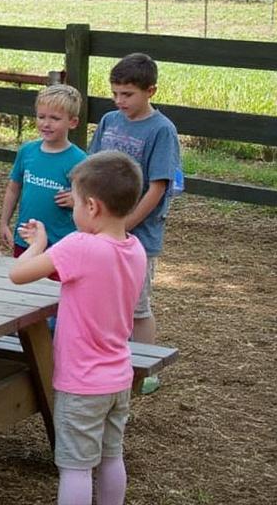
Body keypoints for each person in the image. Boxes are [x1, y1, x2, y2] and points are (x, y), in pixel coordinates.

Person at [9, 151, 148, 505]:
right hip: (118, 377)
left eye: (75, 203)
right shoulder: (135, 249)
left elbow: (18, 274)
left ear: (92, 207)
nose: (72, 212)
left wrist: (36, 244)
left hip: (82, 382)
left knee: (75, 468)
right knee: (111, 456)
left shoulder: (79, 246)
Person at [87, 52, 180, 395]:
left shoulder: (161, 130)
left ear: (150, 91)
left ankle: (144, 368)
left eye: (127, 94)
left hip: (139, 236)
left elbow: (157, 186)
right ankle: (112, 361)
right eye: (115, 93)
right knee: (107, 299)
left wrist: (125, 225)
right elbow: (93, 165)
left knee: (138, 305)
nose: (119, 100)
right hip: (104, 229)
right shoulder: (110, 121)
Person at [0, 84, 87, 256]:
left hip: (60, 244)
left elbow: (90, 201)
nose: (46, 124)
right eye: (41, 117)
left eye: (55, 118)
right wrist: (4, 222)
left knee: (54, 284)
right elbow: (13, 188)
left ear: (73, 122)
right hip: (25, 237)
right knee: (22, 278)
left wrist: (77, 200)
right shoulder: (27, 151)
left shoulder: (80, 160)